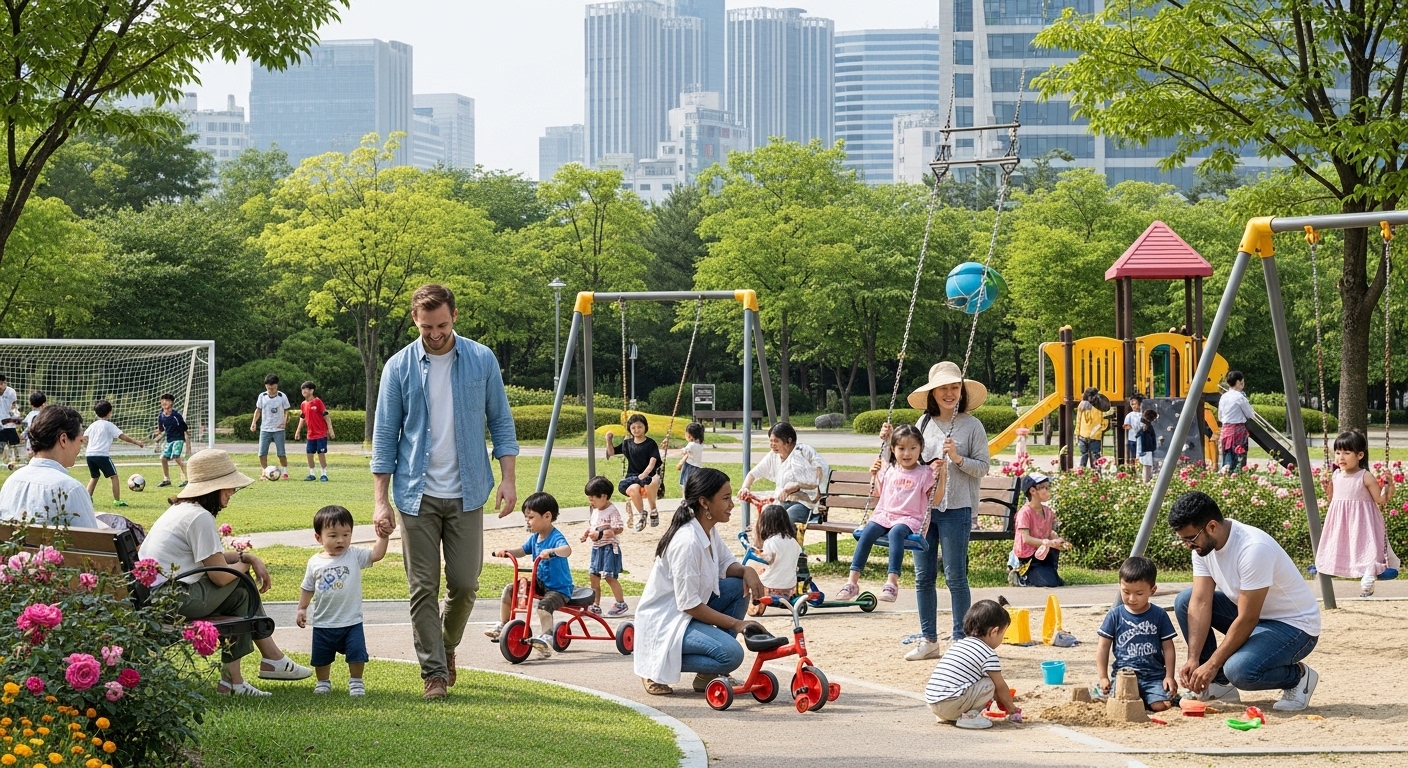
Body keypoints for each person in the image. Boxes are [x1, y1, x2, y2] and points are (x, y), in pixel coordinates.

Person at [371, 283, 519, 700]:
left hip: (467, 490)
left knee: (466, 583)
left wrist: (508, 479)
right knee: (422, 586)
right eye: (425, 327)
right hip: (415, 493)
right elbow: (384, 437)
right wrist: (380, 501)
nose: (434, 334)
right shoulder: (398, 367)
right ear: (415, 320)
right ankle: (433, 672)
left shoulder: (481, 359)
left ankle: (446, 645)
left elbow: (501, 424)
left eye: (441, 325)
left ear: (454, 315)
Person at [138, 449, 311, 696]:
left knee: (240, 596)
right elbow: (219, 576)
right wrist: (246, 567)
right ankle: (270, 659)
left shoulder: (181, 510)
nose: (231, 493)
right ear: (212, 489)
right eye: (228, 487)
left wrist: (247, 556)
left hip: (158, 595)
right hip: (175, 599)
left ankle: (234, 682)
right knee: (242, 584)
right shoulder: (200, 518)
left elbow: (213, 558)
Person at [1169, 491, 1321, 711]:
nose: (1187, 545)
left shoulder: (1253, 549)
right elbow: (1200, 601)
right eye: (1183, 539)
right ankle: (1220, 685)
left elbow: (1248, 618)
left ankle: (1298, 677)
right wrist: (1194, 659)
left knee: (1239, 671)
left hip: (1295, 626)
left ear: (1211, 527)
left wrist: (1212, 664)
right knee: (1185, 600)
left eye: (1190, 538)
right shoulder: (1203, 547)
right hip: (1255, 617)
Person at [880, 361, 990, 661]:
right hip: (922, 512)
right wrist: (886, 442)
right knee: (923, 576)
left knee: (956, 576)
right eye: (944, 388)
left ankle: (960, 638)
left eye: (955, 387)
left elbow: (983, 467)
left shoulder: (972, 425)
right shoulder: (923, 424)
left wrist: (957, 458)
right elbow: (906, 459)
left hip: (957, 508)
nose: (950, 393)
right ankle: (929, 639)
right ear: (933, 392)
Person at [634, 467, 765, 696]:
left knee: (738, 587)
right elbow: (689, 604)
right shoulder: (687, 542)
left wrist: (747, 571)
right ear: (705, 503)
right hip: (667, 622)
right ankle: (653, 662)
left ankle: (707, 676)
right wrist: (736, 624)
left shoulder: (707, 529)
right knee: (732, 655)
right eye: (725, 498)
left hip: (686, 614)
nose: (732, 505)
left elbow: (726, 565)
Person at [837, 424, 946, 603]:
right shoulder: (888, 469)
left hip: (909, 518)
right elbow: (877, 493)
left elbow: (936, 499)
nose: (907, 454)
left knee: (896, 532)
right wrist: (873, 475)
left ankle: (891, 582)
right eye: (901, 448)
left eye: (912, 448)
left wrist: (942, 477)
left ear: (921, 449)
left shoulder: (924, 473)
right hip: (885, 514)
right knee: (867, 532)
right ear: (893, 449)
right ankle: (852, 582)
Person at [295, 505, 390, 696]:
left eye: (346, 534)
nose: (340, 540)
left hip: (351, 621)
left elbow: (377, 554)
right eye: (333, 535)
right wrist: (302, 608)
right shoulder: (315, 562)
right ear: (318, 538)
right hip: (324, 622)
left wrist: (383, 535)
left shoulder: (354, 555)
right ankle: (323, 682)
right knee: (321, 657)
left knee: (357, 654)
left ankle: (356, 682)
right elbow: (308, 587)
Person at [485, 492, 572, 659]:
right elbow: (521, 551)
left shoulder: (556, 537)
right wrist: (506, 551)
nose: (527, 521)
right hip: (540, 583)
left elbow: (566, 550)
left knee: (544, 606)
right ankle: (503, 625)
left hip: (559, 588)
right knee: (511, 589)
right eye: (526, 517)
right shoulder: (535, 538)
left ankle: (546, 638)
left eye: (531, 517)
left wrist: (552, 552)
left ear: (547, 516)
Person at [1315, 430, 1398, 597]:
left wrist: (1390, 485)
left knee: (1367, 550)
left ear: (1360, 455)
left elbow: (1381, 499)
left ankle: (1368, 579)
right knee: (1338, 545)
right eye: (1338, 453)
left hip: (1363, 521)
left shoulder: (1365, 476)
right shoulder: (1336, 475)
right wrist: (1326, 486)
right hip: (1341, 521)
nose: (1341, 457)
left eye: (1347, 453)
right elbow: (1333, 498)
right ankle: (1331, 566)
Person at [1095, 557, 1178, 712]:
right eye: (1126, 592)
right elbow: (1103, 647)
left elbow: (1168, 648)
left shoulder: (1159, 615)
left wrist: (1169, 676)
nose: (1132, 598)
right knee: (1120, 705)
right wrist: (1103, 677)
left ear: (1152, 590)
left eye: (1139, 593)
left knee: (1161, 707)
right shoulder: (1114, 615)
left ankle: (1149, 698)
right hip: (1124, 676)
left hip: (1153, 676)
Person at [924, 600, 1020, 729]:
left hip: (934, 704)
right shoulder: (988, 653)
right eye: (1003, 634)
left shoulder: (958, 645)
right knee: (989, 683)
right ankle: (969, 717)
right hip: (951, 704)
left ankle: (948, 716)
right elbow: (1000, 686)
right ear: (994, 632)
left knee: (978, 682)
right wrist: (1012, 709)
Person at [0, 405, 101, 528]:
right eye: (80, 440)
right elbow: (90, 542)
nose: (80, 447)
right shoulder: (71, 489)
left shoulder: (12, 481)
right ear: (63, 439)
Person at [738, 422, 825, 526]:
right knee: (767, 520)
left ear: (788, 441)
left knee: (785, 520)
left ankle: (786, 542)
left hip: (806, 504)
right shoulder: (773, 456)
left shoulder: (803, 451)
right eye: (770, 441)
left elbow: (818, 476)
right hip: (783, 502)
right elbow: (753, 473)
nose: (772, 445)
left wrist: (797, 486)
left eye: (776, 441)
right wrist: (745, 488)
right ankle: (769, 542)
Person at [605, 414, 663, 531]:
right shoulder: (627, 443)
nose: (636, 429)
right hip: (633, 476)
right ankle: (642, 514)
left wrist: (645, 474)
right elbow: (611, 452)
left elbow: (652, 462)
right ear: (630, 429)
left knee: (651, 482)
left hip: (650, 474)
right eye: (633, 427)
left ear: (645, 427)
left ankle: (653, 509)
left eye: (639, 427)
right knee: (633, 489)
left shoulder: (651, 444)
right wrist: (609, 440)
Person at [580, 475, 628, 617]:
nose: (591, 501)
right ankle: (595, 605)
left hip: (609, 549)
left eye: (592, 498)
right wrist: (586, 533)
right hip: (597, 549)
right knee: (593, 575)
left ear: (604, 496)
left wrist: (601, 534)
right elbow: (593, 526)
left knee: (609, 576)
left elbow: (618, 529)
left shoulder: (612, 511)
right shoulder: (596, 510)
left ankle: (620, 603)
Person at [83, 399, 144, 507]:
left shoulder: (93, 425)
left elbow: (84, 438)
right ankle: (117, 500)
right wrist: (136, 442)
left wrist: (90, 445)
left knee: (95, 476)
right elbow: (122, 436)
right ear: (109, 412)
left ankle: (87, 499)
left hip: (89, 455)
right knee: (114, 476)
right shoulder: (108, 425)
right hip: (101, 455)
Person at [1011, 472, 1066, 587]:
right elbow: (1026, 539)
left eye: (1048, 487)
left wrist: (1057, 540)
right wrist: (1048, 542)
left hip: (1043, 551)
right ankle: (1022, 574)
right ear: (1032, 491)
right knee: (1049, 583)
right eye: (1044, 488)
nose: (1047, 490)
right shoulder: (1025, 513)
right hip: (1029, 556)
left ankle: (1047, 573)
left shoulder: (1048, 512)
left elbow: (1048, 531)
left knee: (1056, 583)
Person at [755, 503, 803, 603]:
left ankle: (755, 598)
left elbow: (768, 560)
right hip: (790, 586)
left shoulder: (770, 542)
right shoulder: (794, 542)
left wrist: (758, 554)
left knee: (751, 574)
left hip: (770, 584)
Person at [294, 380, 336, 482]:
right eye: (302, 389)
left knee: (321, 453)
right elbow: (302, 417)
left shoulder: (317, 402)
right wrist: (298, 430)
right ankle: (311, 474)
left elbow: (326, 415)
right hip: (310, 434)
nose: (303, 391)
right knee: (309, 453)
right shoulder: (303, 404)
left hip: (321, 433)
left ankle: (324, 474)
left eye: (306, 389)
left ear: (311, 390)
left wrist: (330, 429)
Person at [252, 374, 290, 478]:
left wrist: (284, 422)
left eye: (273, 388)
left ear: (277, 385)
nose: (271, 390)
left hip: (279, 429)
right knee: (262, 453)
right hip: (265, 429)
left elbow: (287, 411)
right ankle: (264, 472)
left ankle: (285, 472)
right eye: (268, 388)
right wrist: (254, 422)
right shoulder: (262, 396)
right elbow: (258, 410)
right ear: (266, 386)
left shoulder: (282, 396)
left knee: (281, 453)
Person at [1218, 371, 1254, 472]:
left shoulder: (1223, 397)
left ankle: (1225, 476)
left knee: (1226, 458)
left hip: (1225, 431)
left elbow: (1220, 417)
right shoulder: (1240, 397)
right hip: (1237, 432)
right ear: (1238, 382)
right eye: (1242, 382)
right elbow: (1250, 414)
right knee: (1238, 459)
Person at [152, 393, 189, 488]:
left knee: (176, 457)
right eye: (163, 400)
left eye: (167, 400)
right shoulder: (161, 416)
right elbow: (161, 429)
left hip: (178, 439)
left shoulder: (176, 415)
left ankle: (187, 479)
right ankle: (166, 479)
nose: (164, 402)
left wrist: (187, 440)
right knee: (163, 458)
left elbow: (184, 427)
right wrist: (157, 433)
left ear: (171, 403)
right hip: (169, 440)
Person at [1076, 387, 1107, 468]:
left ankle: (1095, 476)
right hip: (1084, 436)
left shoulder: (1099, 406)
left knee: (1095, 457)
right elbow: (1078, 421)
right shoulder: (1082, 406)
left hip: (1094, 436)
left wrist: (1100, 429)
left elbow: (1104, 420)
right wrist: (1077, 434)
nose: (1092, 398)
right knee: (1085, 456)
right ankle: (1082, 474)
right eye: (1090, 396)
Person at [675, 422, 706, 490]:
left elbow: (684, 452)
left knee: (687, 485)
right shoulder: (700, 444)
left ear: (690, 435)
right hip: (698, 467)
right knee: (695, 485)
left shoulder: (691, 445)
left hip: (690, 467)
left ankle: (686, 499)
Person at [0, 375, 18, 469]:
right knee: (1, 444)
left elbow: (13, 406)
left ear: (4, 383)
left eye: (1, 384)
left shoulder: (11, 392)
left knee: (13, 444)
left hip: (9, 423)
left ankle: (13, 461)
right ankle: (4, 461)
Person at [1137, 408, 1159, 483]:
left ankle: (1147, 479)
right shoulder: (1147, 426)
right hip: (1147, 448)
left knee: (1147, 465)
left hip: (1145, 448)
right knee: (1147, 465)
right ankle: (1146, 480)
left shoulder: (1144, 424)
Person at [1123, 394, 1145, 466]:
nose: (1133, 406)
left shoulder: (1143, 414)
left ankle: (1140, 466)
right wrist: (1127, 426)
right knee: (1133, 454)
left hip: (1142, 438)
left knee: (1141, 455)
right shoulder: (1130, 415)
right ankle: (1133, 467)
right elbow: (1126, 425)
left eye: (1135, 404)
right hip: (1132, 438)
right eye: (1132, 404)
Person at [21, 391, 44, 457]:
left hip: (30, 441)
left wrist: (23, 434)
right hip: (41, 441)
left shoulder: (30, 414)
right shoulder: (44, 415)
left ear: (31, 404)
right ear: (44, 404)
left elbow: (28, 426)